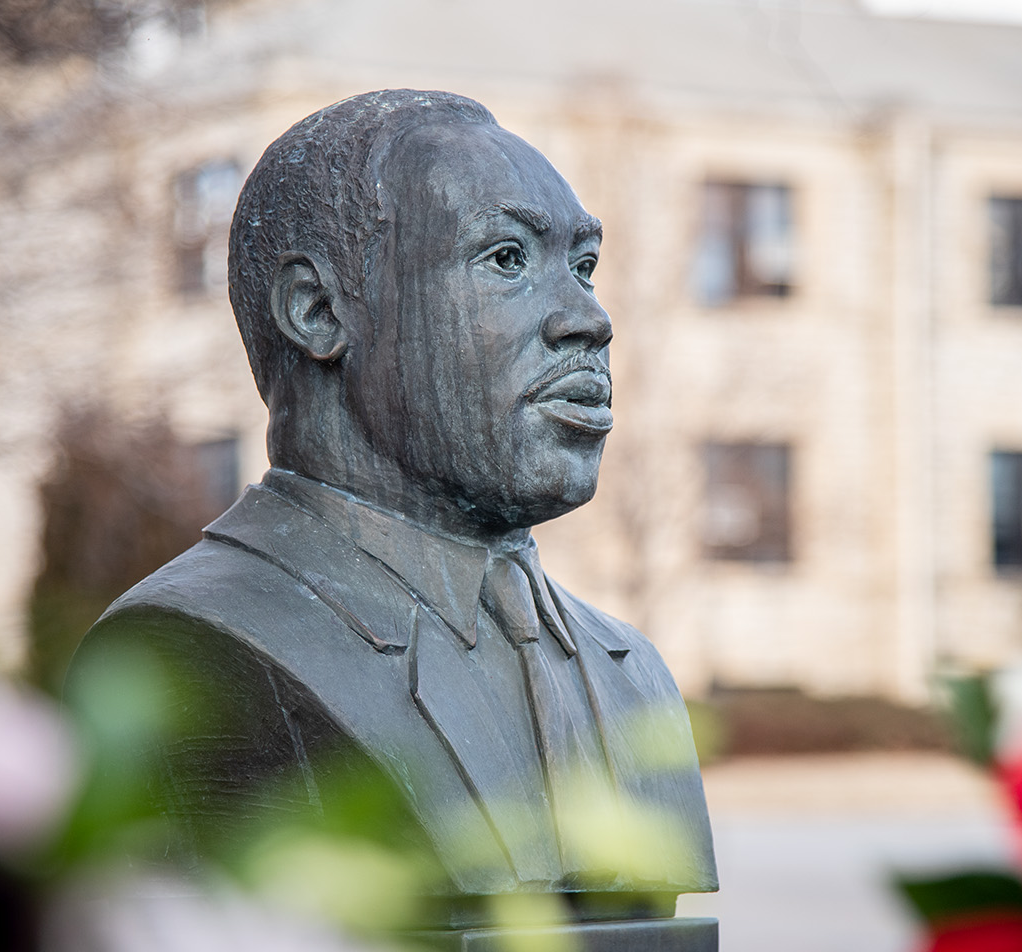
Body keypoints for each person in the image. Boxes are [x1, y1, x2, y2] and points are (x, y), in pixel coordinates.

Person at [69, 90, 717, 941]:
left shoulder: (632, 673)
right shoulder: (187, 651)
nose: (589, 320)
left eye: (584, 265)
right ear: (319, 311)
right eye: (508, 258)